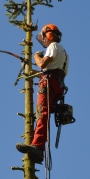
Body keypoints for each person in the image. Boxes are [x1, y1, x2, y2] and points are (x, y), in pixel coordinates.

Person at [16, 24, 69, 163]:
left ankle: (38, 147)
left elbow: (42, 65)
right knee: (43, 112)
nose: (44, 41)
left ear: (48, 35)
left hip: (49, 83)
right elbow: (50, 71)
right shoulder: (64, 54)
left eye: (44, 37)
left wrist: (36, 56)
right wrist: (31, 72)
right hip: (57, 84)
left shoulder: (53, 47)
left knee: (41, 112)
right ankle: (38, 147)